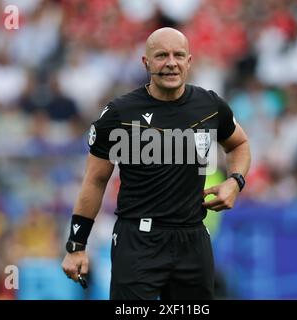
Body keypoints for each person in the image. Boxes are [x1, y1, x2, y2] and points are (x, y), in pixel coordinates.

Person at [61, 27, 251, 300]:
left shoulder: (209, 105)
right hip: (137, 240)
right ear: (146, 62)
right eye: (161, 55)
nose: (171, 62)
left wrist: (236, 181)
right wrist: (77, 245)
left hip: (193, 239)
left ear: (189, 61)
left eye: (178, 55)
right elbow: (95, 179)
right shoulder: (120, 114)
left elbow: (239, 145)